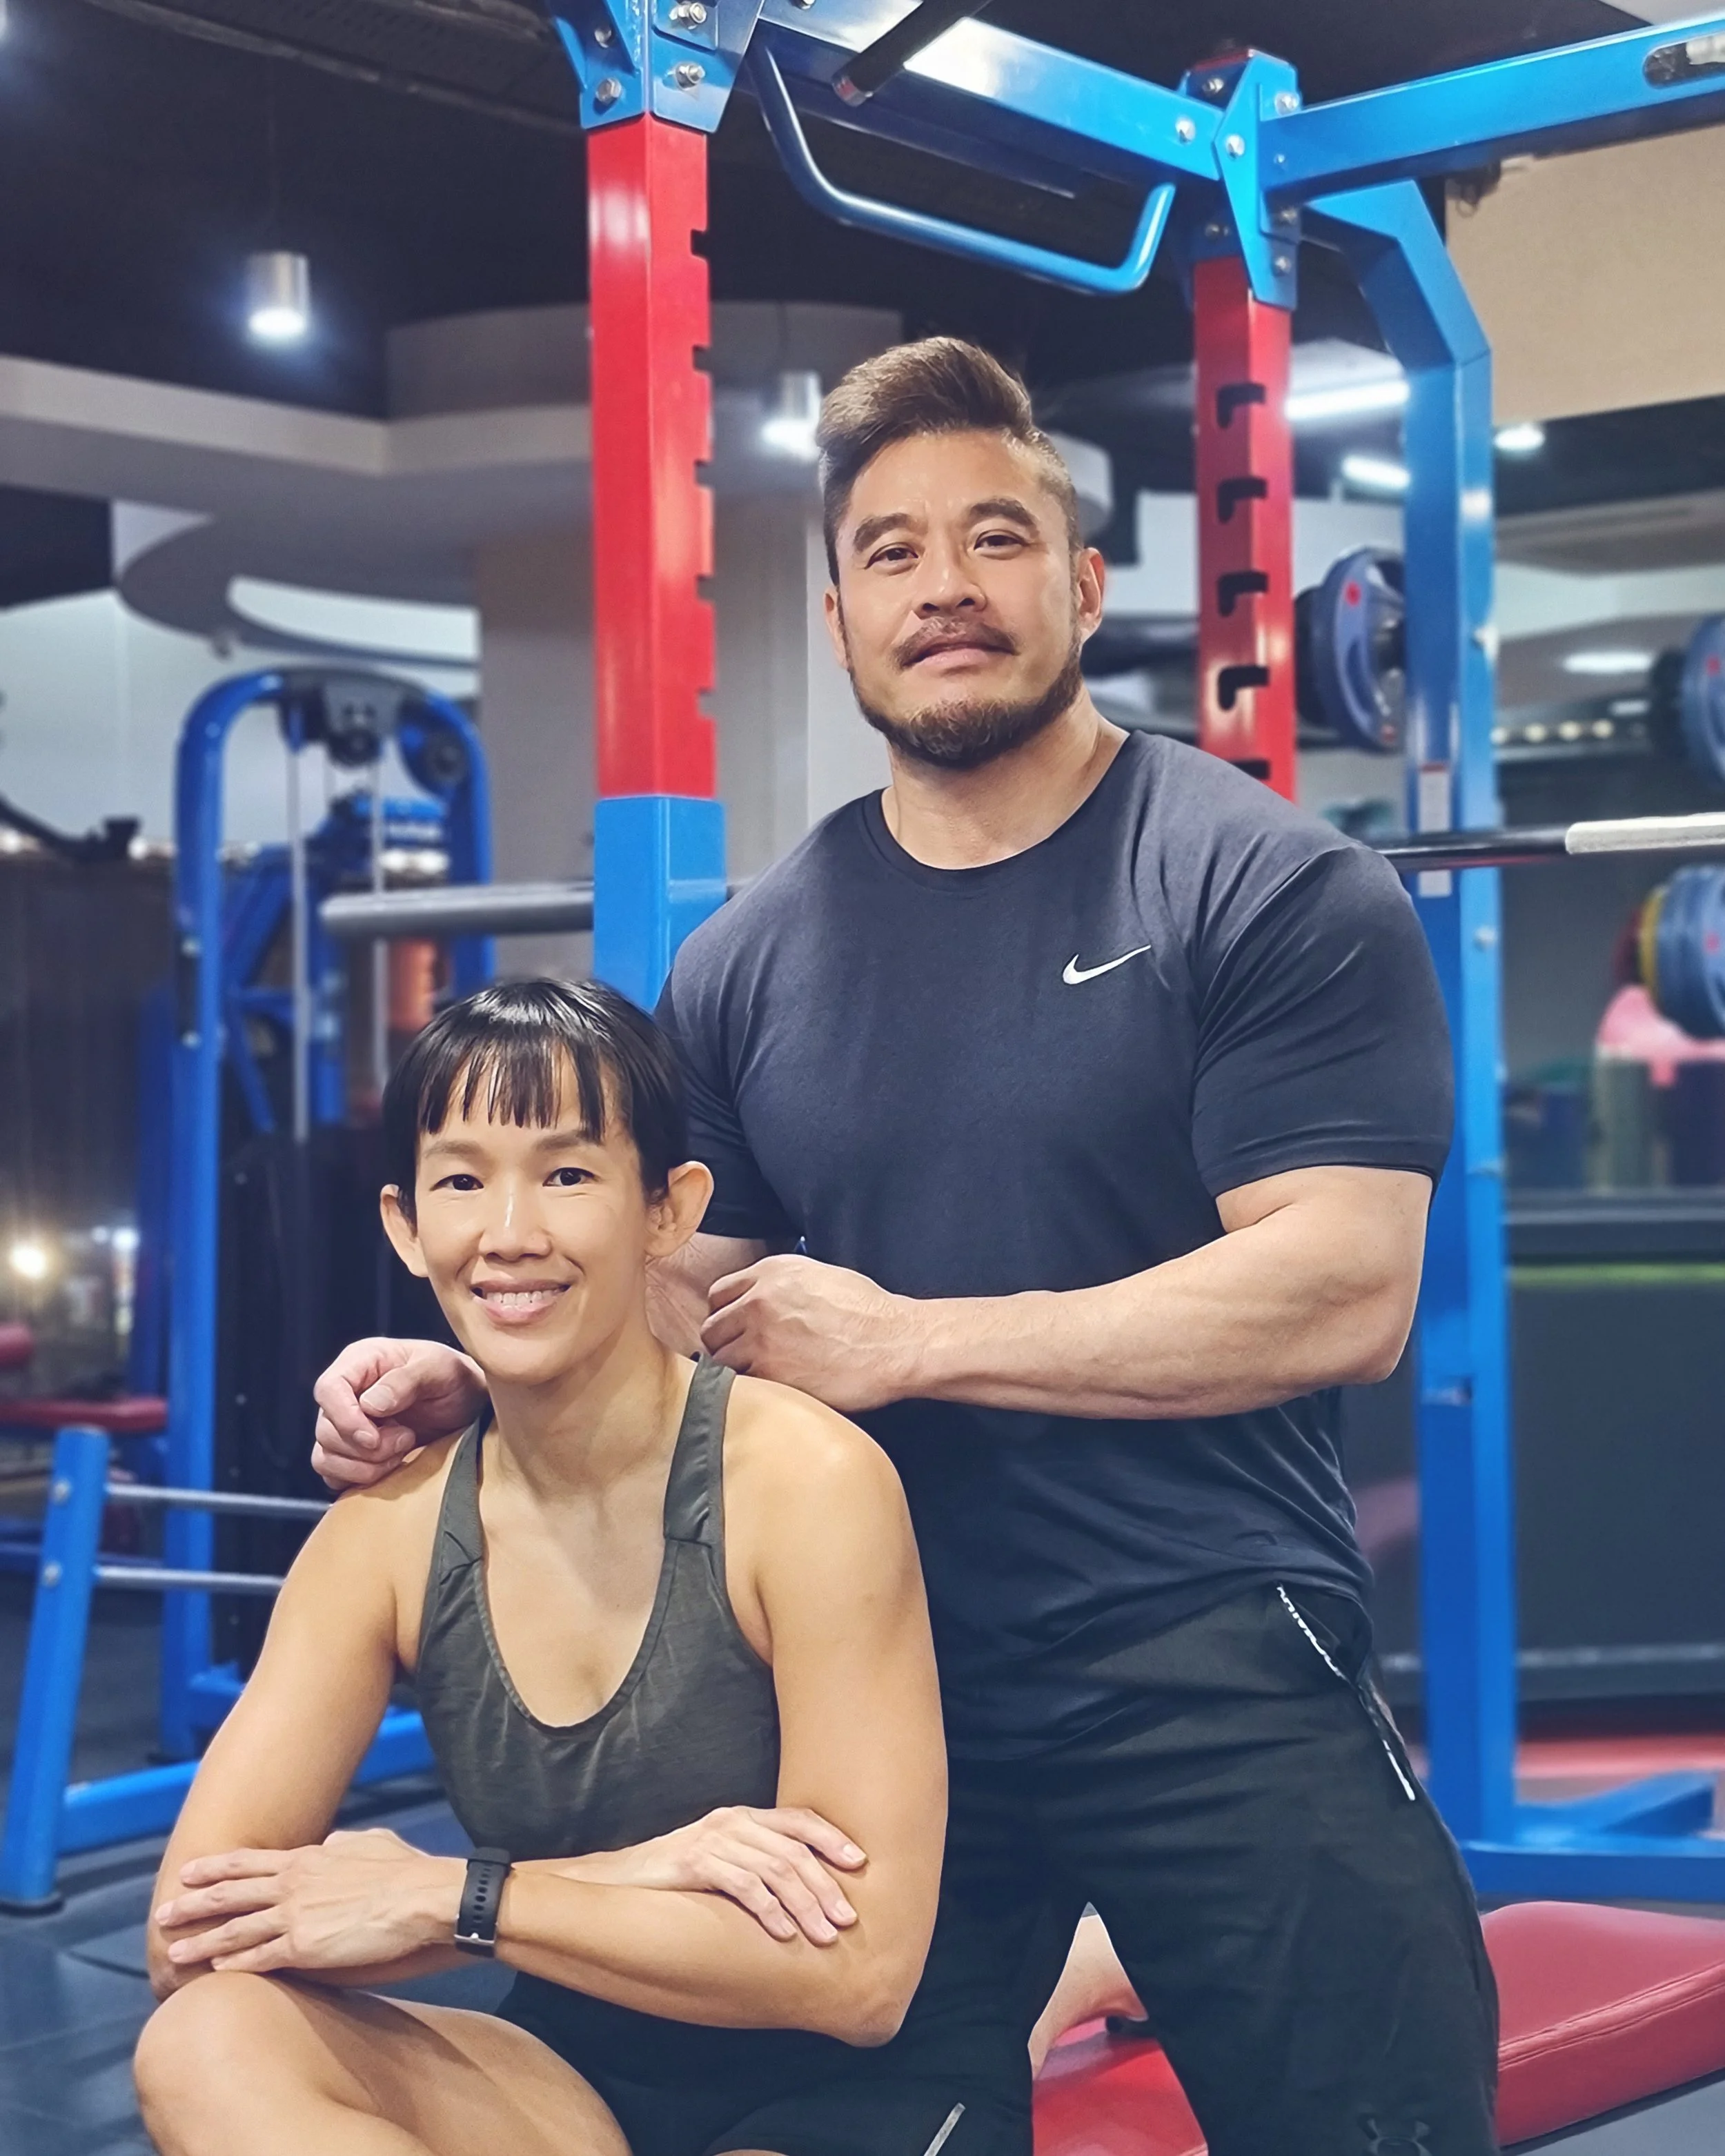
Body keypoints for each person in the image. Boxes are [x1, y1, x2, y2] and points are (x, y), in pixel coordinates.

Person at [313, 340, 1501, 2156]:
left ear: (1083, 584)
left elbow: (1342, 1285)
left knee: (1376, 2112)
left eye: (995, 538)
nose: (944, 586)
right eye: (891, 552)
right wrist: (487, 1372)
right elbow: (703, 1303)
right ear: (840, 613)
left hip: (1199, 1644)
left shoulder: (1261, 883)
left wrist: (918, 1341)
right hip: (873, 1682)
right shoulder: (749, 956)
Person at [134, 980, 1025, 2156]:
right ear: (406, 1225)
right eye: (462, 1181)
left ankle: (1084, 1971)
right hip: (579, 2061)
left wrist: (452, 1896)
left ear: (669, 1209)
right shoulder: (388, 1533)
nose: (510, 1233)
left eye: (567, 1175)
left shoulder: (803, 1481)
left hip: (859, 2081)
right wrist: (644, 1869)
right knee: (205, 2040)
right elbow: (185, 1933)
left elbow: (857, 1975)